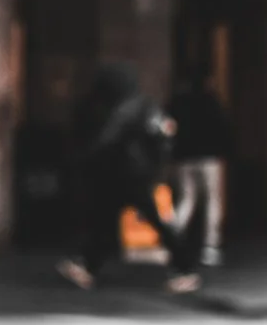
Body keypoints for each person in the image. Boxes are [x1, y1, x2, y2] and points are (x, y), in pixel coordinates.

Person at [59, 62, 168, 289]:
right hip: (129, 173)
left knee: (137, 219)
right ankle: (88, 266)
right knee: (109, 222)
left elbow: (109, 139)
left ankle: (184, 263)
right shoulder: (139, 106)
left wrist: (87, 156)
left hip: (126, 173)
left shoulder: (124, 108)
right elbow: (158, 137)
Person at [167, 67, 230, 273]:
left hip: (184, 157)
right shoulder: (211, 101)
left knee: (186, 199)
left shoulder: (177, 102)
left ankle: (172, 241)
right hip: (209, 156)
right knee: (212, 200)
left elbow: (168, 129)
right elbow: (222, 126)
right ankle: (210, 246)